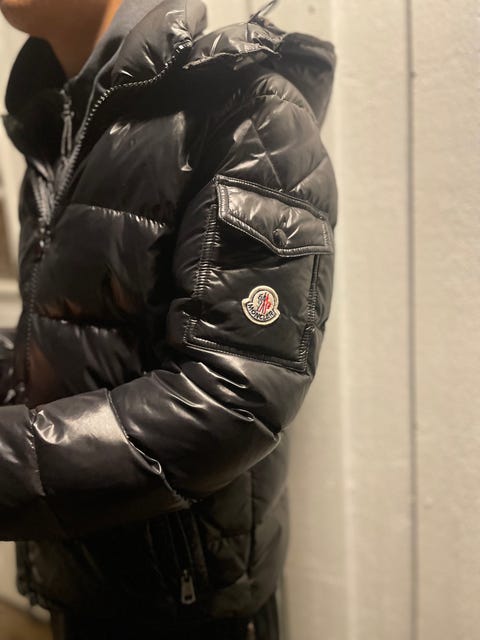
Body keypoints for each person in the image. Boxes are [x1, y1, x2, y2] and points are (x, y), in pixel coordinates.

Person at [0, 0, 337, 638]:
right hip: (80, 573)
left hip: (186, 607)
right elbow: (80, 334)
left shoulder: (245, 109)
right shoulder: (58, 128)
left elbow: (231, 397)